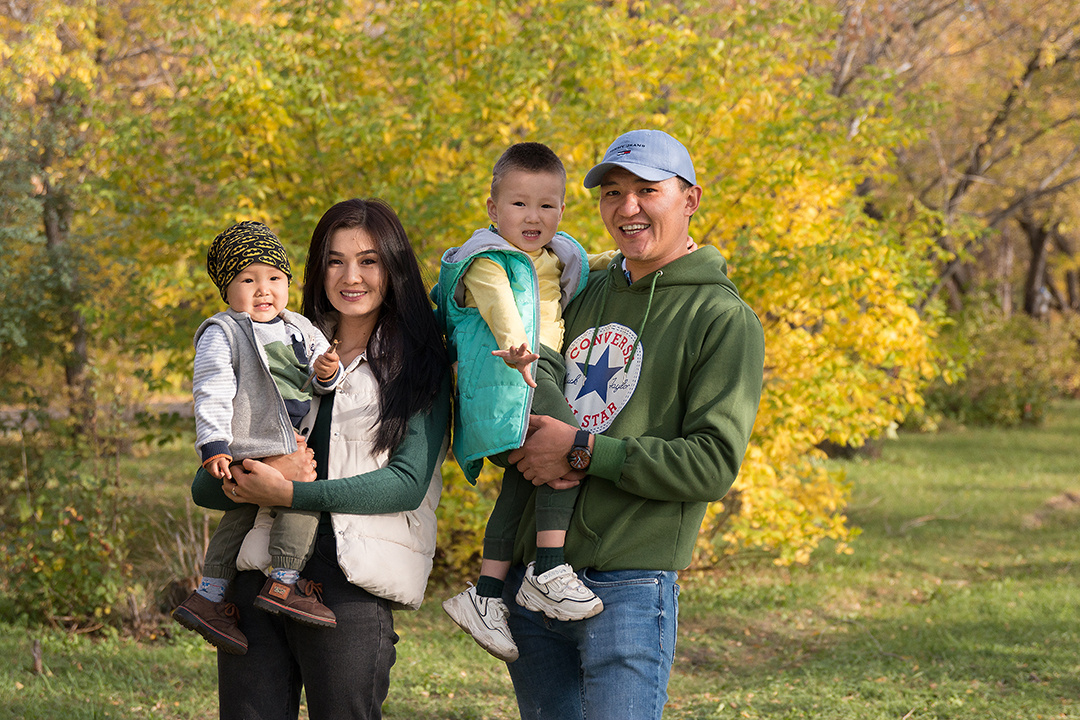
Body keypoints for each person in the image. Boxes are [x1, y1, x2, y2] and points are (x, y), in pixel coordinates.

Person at [502, 130, 766, 720]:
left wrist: (582, 451)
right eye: (613, 192)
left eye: (648, 190)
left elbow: (711, 463)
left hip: (630, 585)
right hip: (536, 578)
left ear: (690, 199)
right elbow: (517, 382)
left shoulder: (723, 318)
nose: (628, 208)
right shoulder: (578, 288)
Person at [189, 198, 451, 720]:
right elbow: (203, 488)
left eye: (369, 260)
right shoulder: (276, 346)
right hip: (257, 570)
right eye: (335, 260)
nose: (351, 276)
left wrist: (289, 492)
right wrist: (259, 474)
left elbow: (404, 484)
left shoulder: (420, 362)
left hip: (348, 580)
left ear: (393, 266)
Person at [436, 143, 616, 663]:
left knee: (525, 478)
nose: (533, 217)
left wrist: (627, 257)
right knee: (567, 453)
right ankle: (547, 567)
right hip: (513, 367)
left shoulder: (557, 254)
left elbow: (594, 262)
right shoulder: (486, 261)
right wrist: (519, 354)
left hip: (544, 365)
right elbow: (501, 310)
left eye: (547, 205)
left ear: (562, 209)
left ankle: (486, 596)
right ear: (493, 209)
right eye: (519, 205)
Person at [173, 220, 343, 654]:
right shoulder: (222, 332)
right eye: (248, 280)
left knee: (241, 516)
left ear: (289, 283)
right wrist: (213, 444)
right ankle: (284, 583)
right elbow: (210, 389)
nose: (263, 289)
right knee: (301, 497)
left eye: (274, 278)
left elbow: (321, 379)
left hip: (289, 437)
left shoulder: (301, 327)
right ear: (228, 292)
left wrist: (327, 373)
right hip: (251, 440)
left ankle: (209, 595)